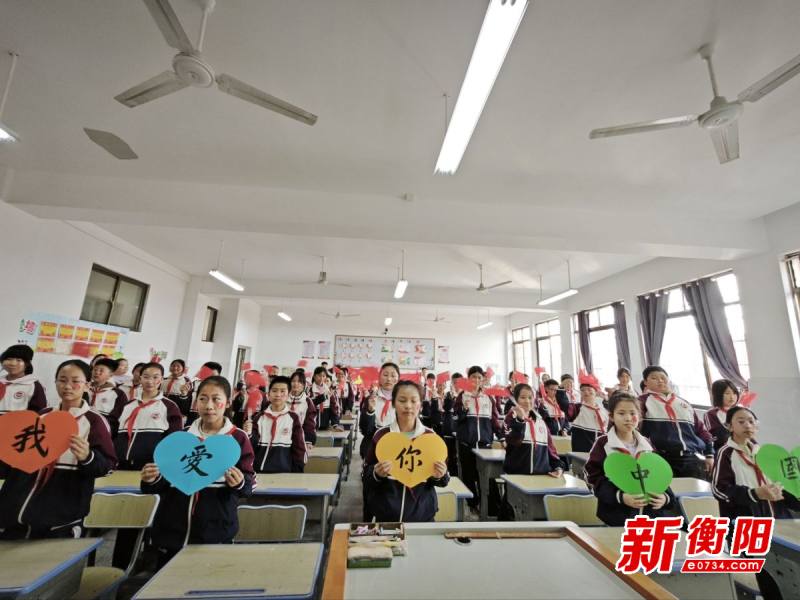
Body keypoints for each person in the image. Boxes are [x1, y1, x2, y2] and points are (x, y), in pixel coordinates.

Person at [141, 375, 255, 568]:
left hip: (215, 529)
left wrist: (240, 483)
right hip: (172, 530)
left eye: (216, 399)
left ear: (227, 402)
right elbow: (162, 484)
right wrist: (152, 478)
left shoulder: (238, 439)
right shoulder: (181, 437)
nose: (209, 406)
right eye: (203, 398)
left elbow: (249, 485)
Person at [0, 359, 116, 539]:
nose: (67, 386)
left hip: (59, 519)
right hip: (14, 514)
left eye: (75, 381)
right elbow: (15, 462)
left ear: (87, 385)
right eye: (62, 380)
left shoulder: (94, 421)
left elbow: (107, 466)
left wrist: (88, 457)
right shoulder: (41, 416)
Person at [362, 380, 449, 522]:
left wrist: (440, 475)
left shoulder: (431, 438)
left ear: (420, 405)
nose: (408, 406)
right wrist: (376, 473)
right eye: (402, 400)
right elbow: (366, 476)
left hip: (423, 518)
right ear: (393, 403)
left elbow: (443, 481)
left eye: (414, 401)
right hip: (386, 518)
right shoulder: (382, 436)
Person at [585, 392, 675, 526]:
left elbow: (659, 475)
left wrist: (665, 498)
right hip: (617, 518)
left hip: (650, 517)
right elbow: (593, 478)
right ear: (611, 416)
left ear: (639, 416)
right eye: (621, 413)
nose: (628, 418)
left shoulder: (647, 444)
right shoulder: (603, 444)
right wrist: (620, 497)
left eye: (633, 413)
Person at [639, 366, 714, 479]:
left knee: (695, 489)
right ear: (645, 382)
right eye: (654, 378)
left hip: (691, 458)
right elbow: (635, 431)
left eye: (663, 378)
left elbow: (701, 430)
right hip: (660, 459)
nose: (660, 381)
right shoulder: (641, 402)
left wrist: (709, 454)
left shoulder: (683, 403)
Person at [114, 362, 182, 470]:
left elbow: (174, 439)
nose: (150, 381)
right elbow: (114, 433)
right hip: (121, 465)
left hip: (151, 467)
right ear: (140, 378)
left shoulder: (170, 406)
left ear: (161, 379)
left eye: (155, 377)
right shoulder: (127, 406)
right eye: (146, 377)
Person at [455, 366, 504, 511]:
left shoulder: (488, 398)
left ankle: (491, 507)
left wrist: (502, 437)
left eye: (479, 377)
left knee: (488, 475)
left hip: (484, 444)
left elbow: (494, 420)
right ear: (468, 379)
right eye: (473, 377)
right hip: (466, 443)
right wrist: (463, 410)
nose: (476, 380)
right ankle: (473, 504)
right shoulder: (462, 396)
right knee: (468, 475)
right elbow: (455, 419)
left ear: (482, 380)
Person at [245, 376, 306, 473]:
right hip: (259, 471)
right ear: (268, 394)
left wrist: (297, 472)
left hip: (284, 472)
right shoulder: (259, 418)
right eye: (274, 391)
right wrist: (248, 434)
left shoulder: (293, 418)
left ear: (288, 395)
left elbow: (299, 447)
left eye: (282, 391)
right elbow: (251, 446)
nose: (278, 395)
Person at [503, 384, 563, 475]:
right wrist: (520, 420)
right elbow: (513, 441)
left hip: (541, 476)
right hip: (517, 475)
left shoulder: (540, 420)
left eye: (530, 397)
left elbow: (550, 448)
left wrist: (557, 466)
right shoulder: (511, 418)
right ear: (516, 400)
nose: (527, 401)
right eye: (523, 397)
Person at [359, 362, 400, 458]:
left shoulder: (402, 400)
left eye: (393, 375)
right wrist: (370, 411)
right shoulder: (371, 399)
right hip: (373, 446)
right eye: (385, 375)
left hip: (396, 446)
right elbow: (365, 431)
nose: (389, 379)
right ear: (380, 377)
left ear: (398, 379)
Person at [0, 344, 47, 414]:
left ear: (27, 364)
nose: (13, 363)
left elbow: (39, 411)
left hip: (19, 420)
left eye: (18, 360)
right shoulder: (1, 381)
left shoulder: (33, 385)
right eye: (9, 359)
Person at [430, 372, 461, 475]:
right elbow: (444, 408)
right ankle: (448, 473)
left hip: (457, 427)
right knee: (448, 453)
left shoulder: (463, 395)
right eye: (439, 385)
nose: (442, 386)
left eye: (443, 385)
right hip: (444, 425)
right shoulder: (447, 395)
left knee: (457, 456)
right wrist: (435, 398)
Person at [565, 382, 609, 452]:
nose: (586, 392)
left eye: (589, 389)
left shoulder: (603, 410)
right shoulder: (577, 408)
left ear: (596, 392)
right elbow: (564, 407)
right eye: (582, 390)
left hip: (600, 448)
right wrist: (561, 391)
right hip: (582, 449)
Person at [89, 357, 128, 436]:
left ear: (110, 375)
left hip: (102, 432)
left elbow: (117, 419)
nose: (97, 372)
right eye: (95, 370)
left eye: (101, 370)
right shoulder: (84, 389)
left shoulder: (118, 394)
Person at [704, 379, 740, 453]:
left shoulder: (740, 411)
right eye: (727, 393)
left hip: (741, 448)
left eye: (734, 393)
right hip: (724, 451)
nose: (732, 397)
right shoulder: (711, 414)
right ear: (718, 395)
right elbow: (717, 436)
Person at [186, 361, 223, 426]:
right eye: (207, 374)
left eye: (212, 376)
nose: (209, 379)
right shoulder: (193, 384)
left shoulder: (221, 389)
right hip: (191, 414)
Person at [288, 370, 317, 448]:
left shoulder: (307, 401)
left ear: (304, 385)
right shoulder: (283, 398)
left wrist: (308, 441)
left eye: (299, 382)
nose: (296, 384)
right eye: (293, 381)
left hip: (300, 438)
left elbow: (310, 423)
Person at [310, 366, 340, 430]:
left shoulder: (328, 390)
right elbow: (310, 403)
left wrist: (335, 424)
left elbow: (333, 408)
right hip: (312, 424)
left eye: (323, 376)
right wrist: (324, 397)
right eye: (319, 375)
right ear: (314, 376)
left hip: (325, 424)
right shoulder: (309, 389)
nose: (321, 378)